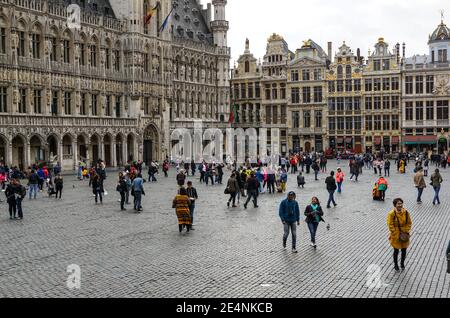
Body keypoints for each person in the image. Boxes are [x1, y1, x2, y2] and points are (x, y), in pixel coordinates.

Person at [387, 198, 412, 272]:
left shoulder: (406, 212)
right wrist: (394, 232)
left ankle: (402, 263)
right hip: (396, 235)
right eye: (398, 204)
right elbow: (390, 224)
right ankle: (396, 265)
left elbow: (409, 223)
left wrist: (406, 231)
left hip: (404, 234)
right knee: (396, 250)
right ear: (395, 205)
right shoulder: (391, 214)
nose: (400, 205)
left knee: (404, 250)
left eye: (401, 203)